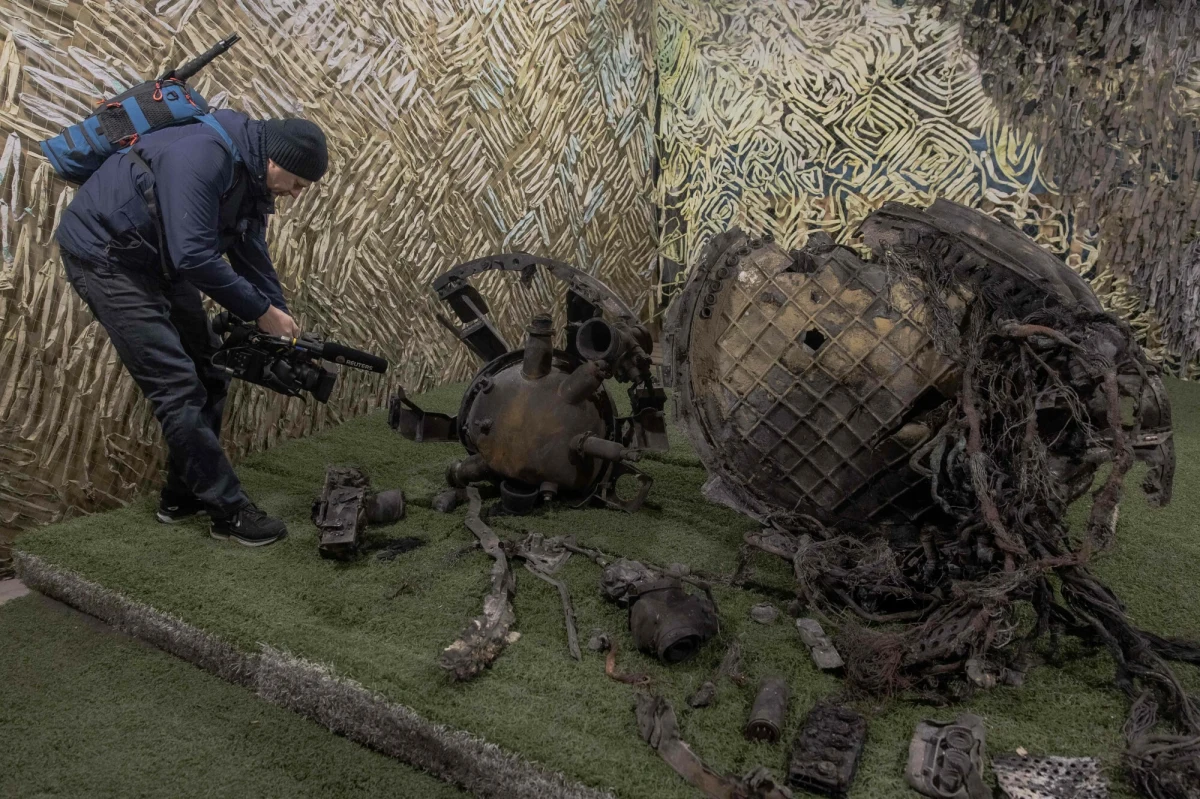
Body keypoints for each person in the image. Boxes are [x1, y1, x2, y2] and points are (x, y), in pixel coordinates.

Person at [54, 110, 329, 547]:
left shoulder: (251, 175)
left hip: (157, 257)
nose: (296, 195)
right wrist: (261, 312)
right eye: (297, 183)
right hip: (107, 256)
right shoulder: (205, 156)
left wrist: (282, 319)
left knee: (211, 370)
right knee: (177, 386)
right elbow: (194, 257)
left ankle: (182, 498)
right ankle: (229, 513)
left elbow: (250, 251)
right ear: (276, 161)